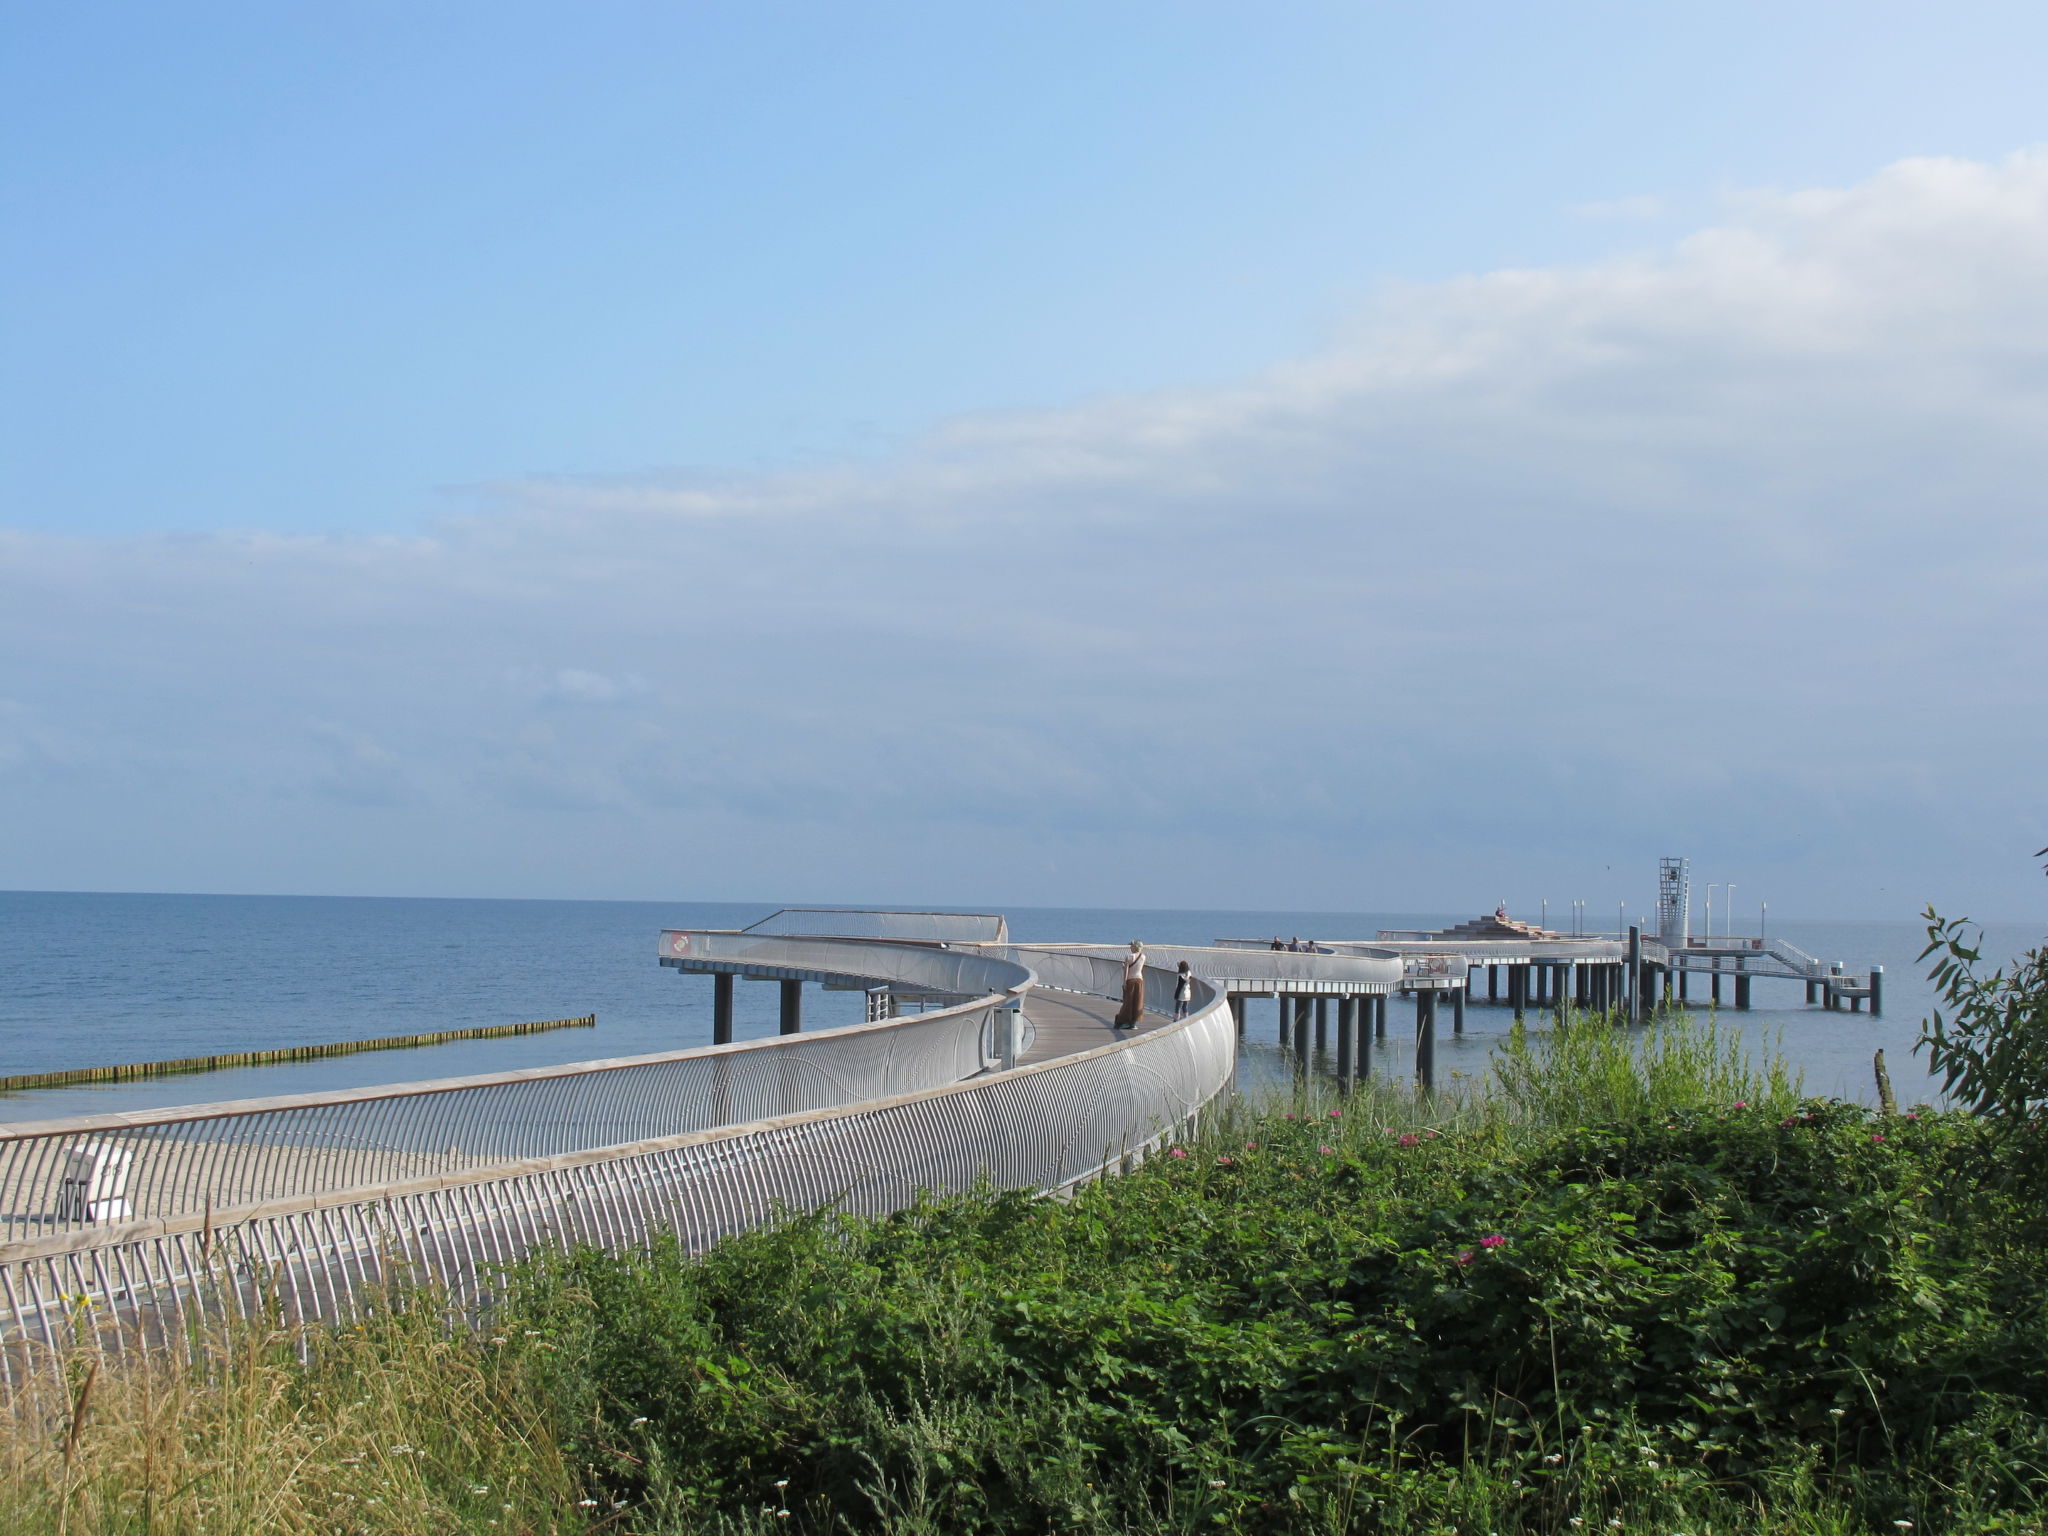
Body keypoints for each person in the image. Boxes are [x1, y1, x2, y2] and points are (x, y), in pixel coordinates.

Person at [1114, 941, 1146, 1028]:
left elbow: (1126, 971)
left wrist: (1124, 982)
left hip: (1130, 980)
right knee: (1137, 1002)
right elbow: (1139, 969)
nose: (1130, 948)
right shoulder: (1143, 956)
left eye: (1131, 946)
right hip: (1139, 980)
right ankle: (1133, 1023)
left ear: (1134, 947)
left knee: (1128, 1002)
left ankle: (1122, 1021)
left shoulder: (1129, 956)